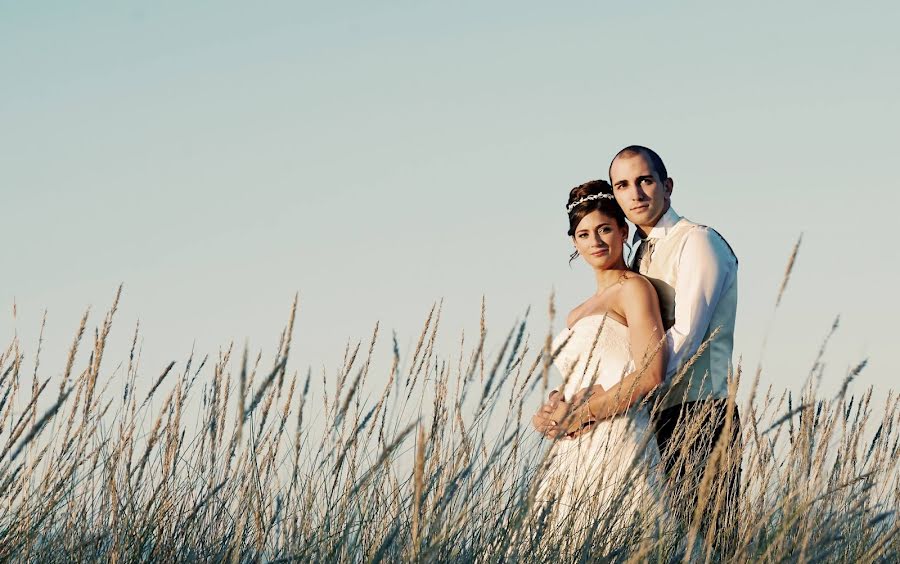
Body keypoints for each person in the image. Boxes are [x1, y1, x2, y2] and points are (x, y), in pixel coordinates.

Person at [608, 145, 741, 542]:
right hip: (650, 418)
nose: (636, 193)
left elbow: (686, 336)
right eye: (623, 185)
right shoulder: (636, 260)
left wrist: (624, 394)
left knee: (707, 542)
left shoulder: (698, 241)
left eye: (645, 180)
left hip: (700, 413)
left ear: (667, 186)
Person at [530, 179, 669, 539]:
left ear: (623, 230)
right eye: (584, 234)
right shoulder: (576, 314)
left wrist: (579, 415)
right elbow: (582, 377)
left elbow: (651, 373)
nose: (595, 241)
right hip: (574, 444)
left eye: (605, 229)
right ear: (574, 242)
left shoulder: (634, 289)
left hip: (618, 434)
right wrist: (551, 411)